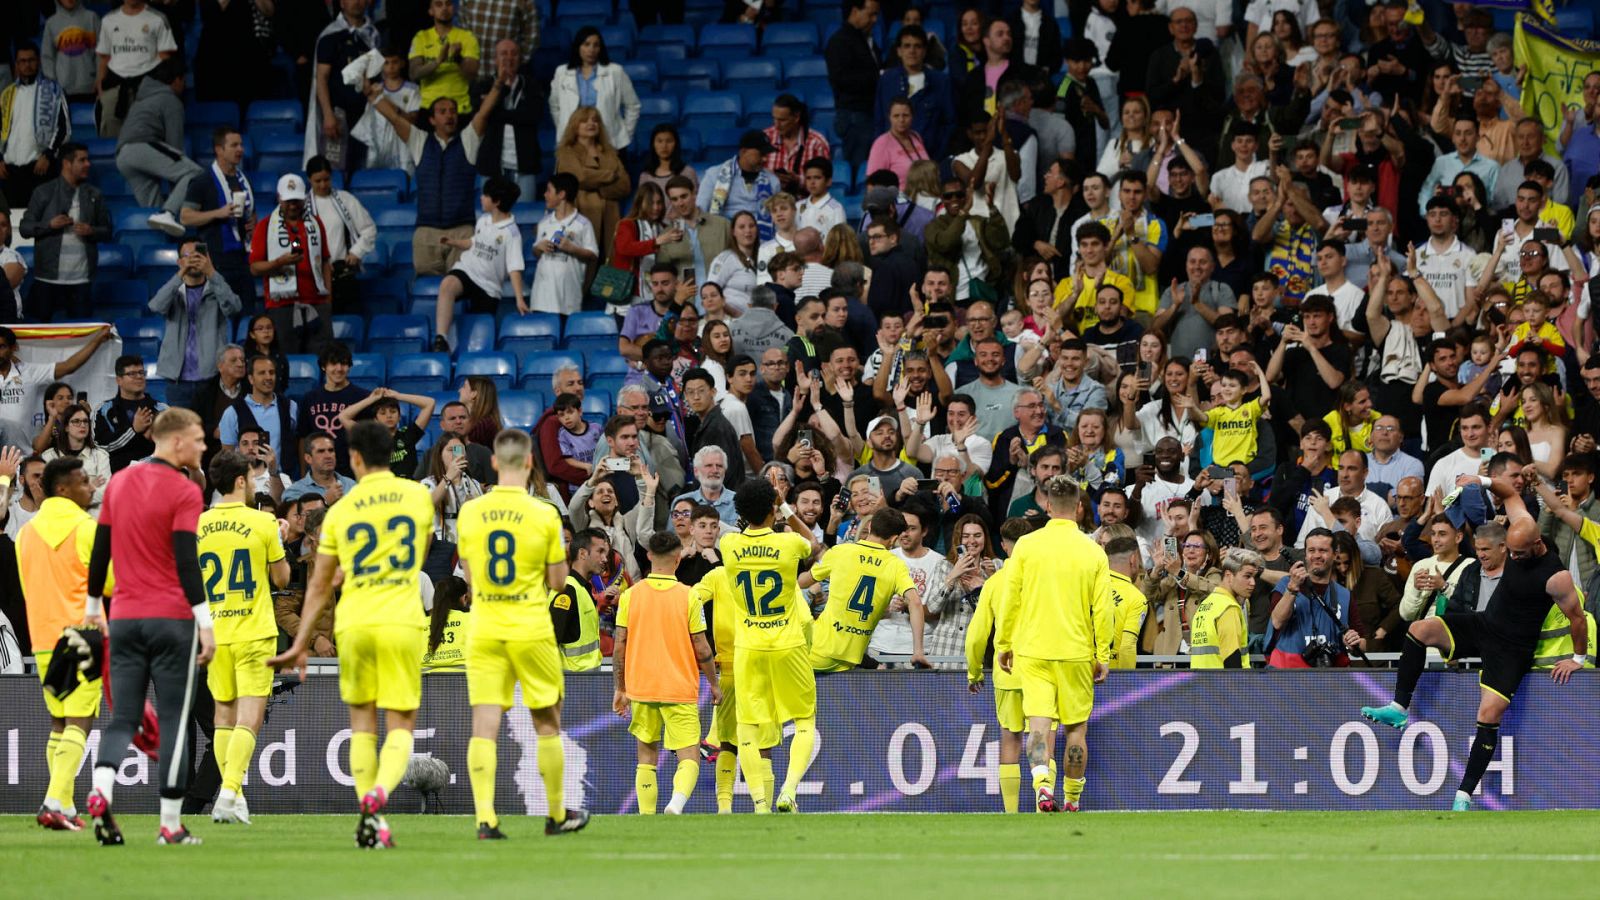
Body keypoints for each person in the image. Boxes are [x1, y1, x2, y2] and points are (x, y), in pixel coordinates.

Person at [1361, 476, 1588, 812]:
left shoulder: (1556, 576)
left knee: (1488, 714)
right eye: (1509, 551)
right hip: (1485, 625)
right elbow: (1509, 491)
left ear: (1538, 545)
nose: (1513, 557)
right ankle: (1399, 708)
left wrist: (1579, 659)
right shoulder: (1522, 523)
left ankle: (1463, 796)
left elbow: (1578, 619)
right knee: (1421, 629)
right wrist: (1478, 480)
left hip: (1512, 649)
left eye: (1519, 554)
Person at [268, 422, 435, 847]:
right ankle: (378, 799)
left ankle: (372, 820)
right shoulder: (418, 497)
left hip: (356, 623)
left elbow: (321, 585)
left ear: (354, 459)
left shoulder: (339, 511)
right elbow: (422, 548)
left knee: (363, 725)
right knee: (401, 725)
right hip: (401, 619)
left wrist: (301, 642)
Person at [452, 428, 590, 836]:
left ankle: (485, 819)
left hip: (485, 626)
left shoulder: (471, 512)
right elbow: (559, 583)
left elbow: (472, 581)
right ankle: (556, 815)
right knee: (547, 721)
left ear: (495, 463)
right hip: (530, 626)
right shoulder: (544, 513)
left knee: (485, 724)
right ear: (530, 463)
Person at [84, 408, 213, 846]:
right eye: (197, 439)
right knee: (175, 719)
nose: (203, 447)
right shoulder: (184, 490)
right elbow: (185, 560)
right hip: (172, 619)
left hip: (122, 616)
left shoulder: (118, 482)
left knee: (122, 717)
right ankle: (171, 824)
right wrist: (205, 622)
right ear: (176, 441)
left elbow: (100, 549)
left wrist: (91, 605)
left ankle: (101, 790)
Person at [995, 475, 1111, 813]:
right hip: (1076, 652)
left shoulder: (1027, 546)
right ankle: (1072, 799)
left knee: (1039, 724)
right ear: (1079, 507)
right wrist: (1101, 653)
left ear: (1047, 505)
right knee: (1075, 730)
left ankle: (1042, 787)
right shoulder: (1093, 551)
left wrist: (1004, 643)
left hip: (1033, 650)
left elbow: (1010, 600)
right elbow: (1102, 610)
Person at [197, 450, 290, 824]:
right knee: (248, 719)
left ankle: (233, 797)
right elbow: (281, 579)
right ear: (240, 481)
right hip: (254, 631)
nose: (254, 485)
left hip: (215, 631)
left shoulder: (198, 525)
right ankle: (230, 791)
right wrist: (280, 537)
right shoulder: (263, 522)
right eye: (252, 479)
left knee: (223, 717)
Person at [719, 478, 822, 813]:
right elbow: (814, 543)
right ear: (773, 508)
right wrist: (786, 509)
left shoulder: (729, 545)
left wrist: (766, 506)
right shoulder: (789, 543)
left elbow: (742, 525)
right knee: (804, 720)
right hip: (788, 643)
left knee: (746, 726)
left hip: (748, 647)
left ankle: (760, 805)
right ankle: (789, 791)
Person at [18, 456, 103, 829]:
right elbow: (112, 583)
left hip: (42, 639)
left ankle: (65, 805)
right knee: (79, 723)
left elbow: (27, 587)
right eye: (84, 481)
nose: (91, 487)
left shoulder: (27, 534)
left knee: (58, 722)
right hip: (81, 636)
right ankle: (53, 801)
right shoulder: (87, 529)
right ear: (63, 489)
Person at [613, 530, 718, 816]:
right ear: (677, 557)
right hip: (679, 687)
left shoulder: (630, 596)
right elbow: (702, 646)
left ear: (648, 555)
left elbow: (619, 645)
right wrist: (714, 684)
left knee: (646, 755)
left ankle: (647, 816)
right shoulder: (688, 596)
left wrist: (620, 688)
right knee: (689, 754)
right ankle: (675, 805)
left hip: (642, 687)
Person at [363, 73, 503, 277]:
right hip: (427, 234)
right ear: (432, 119)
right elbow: (394, 118)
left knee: (461, 290)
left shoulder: (468, 140)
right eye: (443, 111)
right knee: (427, 295)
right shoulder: (419, 140)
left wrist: (498, 84)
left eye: (453, 111)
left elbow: (483, 114)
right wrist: (373, 97)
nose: (449, 115)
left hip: (462, 230)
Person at [964, 515, 1042, 812]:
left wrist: (973, 672)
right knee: (1040, 735)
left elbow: (976, 637)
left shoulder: (994, 583)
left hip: (1007, 671)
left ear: (1004, 545)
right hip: (1042, 669)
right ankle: (1041, 803)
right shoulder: (1044, 581)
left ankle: (1010, 812)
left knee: (1010, 738)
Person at [801, 508, 924, 672]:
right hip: (850, 658)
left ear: (871, 525)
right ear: (895, 538)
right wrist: (918, 652)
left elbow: (803, 582)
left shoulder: (840, 552)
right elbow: (915, 602)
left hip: (816, 650)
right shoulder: (896, 566)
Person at [432, 176, 525, 351]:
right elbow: (474, 242)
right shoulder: (483, 220)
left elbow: (514, 268)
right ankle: (440, 339)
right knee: (447, 284)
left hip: (489, 287)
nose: (481, 198)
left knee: (479, 331)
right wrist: (453, 242)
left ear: (496, 201)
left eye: (485, 195)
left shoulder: (512, 233)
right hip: (468, 271)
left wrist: (519, 298)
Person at [20, 142, 108, 323]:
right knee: (40, 333)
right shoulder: (44, 192)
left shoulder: (94, 195)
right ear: (67, 164)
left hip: (81, 281)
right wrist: (49, 225)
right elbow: (25, 228)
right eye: (82, 160)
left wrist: (91, 231)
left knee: (80, 334)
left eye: (88, 159)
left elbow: (107, 231)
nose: (88, 164)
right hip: (46, 279)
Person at [150, 240, 241, 414]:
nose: (193, 260)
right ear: (179, 261)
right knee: (180, 434)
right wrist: (180, 274)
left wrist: (212, 273)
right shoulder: (175, 292)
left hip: (211, 378)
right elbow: (156, 306)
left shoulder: (217, 290)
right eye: (187, 256)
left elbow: (234, 307)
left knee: (211, 435)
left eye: (198, 255)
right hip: (177, 382)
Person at [248, 174, 334, 355]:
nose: (293, 205)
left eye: (297, 200)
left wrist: (328, 299)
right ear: (279, 197)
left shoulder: (316, 224)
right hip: (281, 306)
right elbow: (255, 268)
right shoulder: (264, 226)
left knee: (322, 361)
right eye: (288, 201)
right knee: (285, 360)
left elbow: (325, 262)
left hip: (317, 303)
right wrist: (279, 263)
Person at [113, 58, 199, 238]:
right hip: (141, 146)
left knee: (153, 213)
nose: (184, 86)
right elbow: (174, 146)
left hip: (122, 156)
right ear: (176, 80)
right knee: (194, 173)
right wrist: (177, 197)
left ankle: (159, 241)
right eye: (183, 80)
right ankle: (168, 213)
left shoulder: (142, 97)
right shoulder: (170, 99)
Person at [178, 127, 257, 308]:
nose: (240, 150)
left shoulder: (244, 180)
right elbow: (185, 217)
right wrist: (218, 213)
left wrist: (253, 222)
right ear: (219, 149)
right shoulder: (202, 181)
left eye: (241, 145)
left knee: (247, 312)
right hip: (217, 261)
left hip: (243, 259)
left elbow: (251, 212)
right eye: (234, 145)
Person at [555, 106, 630, 264]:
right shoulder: (567, 152)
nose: (591, 123)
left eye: (595, 120)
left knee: (611, 262)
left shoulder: (610, 152)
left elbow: (624, 185)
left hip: (611, 215)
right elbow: (578, 177)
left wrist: (598, 186)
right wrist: (610, 175)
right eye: (585, 120)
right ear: (575, 125)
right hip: (582, 212)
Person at [305, 156, 377, 316]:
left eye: (326, 179)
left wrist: (356, 251)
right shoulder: (303, 207)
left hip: (343, 272)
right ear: (309, 179)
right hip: (314, 277)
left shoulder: (345, 199)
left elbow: (369, 228)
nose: (323, 185)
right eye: (318, 181)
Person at [549, 26, 640, 153]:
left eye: (596, 45)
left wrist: (623, 136)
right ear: (578, 47)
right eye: (586, 44)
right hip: (573, 143)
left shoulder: (615, 72)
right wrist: (565, 128)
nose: (591, 49)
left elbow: (633, 106)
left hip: (609, 143)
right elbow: (554, 105)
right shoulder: (562, 72)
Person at [92, 0, 176, 139]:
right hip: (115, 89)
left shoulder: (158, 19)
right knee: (111, 140)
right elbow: (104, 59)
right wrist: (101, 92)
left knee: (148, 137)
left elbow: (165, 60)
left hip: (148, 89)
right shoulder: (108, 20)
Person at [472, 39, 542, 201]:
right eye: (503, 53)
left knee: (526, 218)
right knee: (491, 220)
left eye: (514, 53)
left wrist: (498, 113)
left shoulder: (532, 85)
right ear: (495, 59)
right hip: (492, 165)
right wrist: (501, 86)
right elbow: (482, 115)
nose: (509, 58)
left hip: (524, 165)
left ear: (520, 58)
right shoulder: (483, 86)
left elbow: (533, 116)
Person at [529, 173, 599, 315]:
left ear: (561, 194)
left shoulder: (583, 224)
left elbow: (593, 256)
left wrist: (572, 248)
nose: (544, 195)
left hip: (568, 300)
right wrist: (539, 247)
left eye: (549, 190)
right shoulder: (543, 223)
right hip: (541, 300)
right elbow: (536, 253)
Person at [824, 0, 881, 167]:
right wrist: (877, 77)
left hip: (868, 115)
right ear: (855, 11)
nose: (875, 20)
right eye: (871, 14)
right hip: (855, 117)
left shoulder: (865, 40)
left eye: (876, 15)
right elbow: (841, 79)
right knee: (861, 168)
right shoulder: (840, 41)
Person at [218, 355, 298, 472]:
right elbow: (228, 456)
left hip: (283, 481)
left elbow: (293, 443)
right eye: (262, 373)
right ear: (251, 379)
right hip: (248, 482)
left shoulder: (291, 407)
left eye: (271, 372)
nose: (268, 377)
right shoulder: (232, 413)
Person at [698, 131, 782, 240]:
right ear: (743, 152)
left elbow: (778, 216)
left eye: (766, 155)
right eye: (761, 154)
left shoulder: (772, 180)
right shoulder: (714, 174)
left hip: (760, 237)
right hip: (724, 236)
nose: (765, 159)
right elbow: (700, 211)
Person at [1189, 548, 1263, 669]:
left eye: (1254, 577)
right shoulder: (1228, 608)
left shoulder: (1207, 604)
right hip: (1222, 685)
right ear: (1229, 575)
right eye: (1247, 576)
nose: (1253, 582)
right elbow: (1232, 661)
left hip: (1201, 683)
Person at [94, 354, 169, 474]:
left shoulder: (162, 410)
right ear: (119, 380)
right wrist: (133, 430)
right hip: (116, 478)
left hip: (153, 476)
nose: (139, 377)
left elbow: (171, 447)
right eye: (132, 374)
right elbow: (101, 447)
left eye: (141, 372)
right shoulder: (103, 410)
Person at [409, 0, 480, 114]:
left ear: (454, 8)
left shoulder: (467, 37)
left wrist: (458, 58)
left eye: (448, 4)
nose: (444, 8)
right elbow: (414, 74)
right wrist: (438, 62)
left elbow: (472, 74)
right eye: (438, 4)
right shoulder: (421, 37)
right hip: (428, 108)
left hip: (459, 108)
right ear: (431, 11)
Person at [40, 403, 110, 512]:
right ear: (66, 427)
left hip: (92, 520)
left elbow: (106, 493)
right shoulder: (49, 457)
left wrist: (67, 493)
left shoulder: (101, 456)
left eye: (85, 421)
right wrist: (89, 487)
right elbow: (47, 496)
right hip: (60, 519)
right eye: (76, 421)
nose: (82, 425)